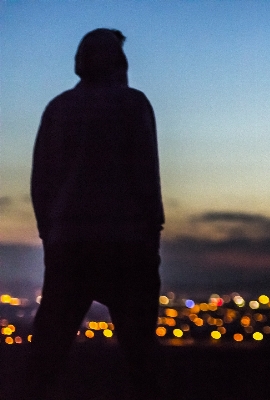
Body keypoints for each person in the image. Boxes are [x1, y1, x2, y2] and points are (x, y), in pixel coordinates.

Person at [25, 28, 166, 400]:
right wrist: (152, 236)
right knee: (140, 357)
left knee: (46, 355)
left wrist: (49, 236)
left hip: (69, 244)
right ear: (119, 62)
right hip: (128, 244)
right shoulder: (133, 104)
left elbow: (41, 181)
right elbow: (146, 175)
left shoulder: (58, 108)